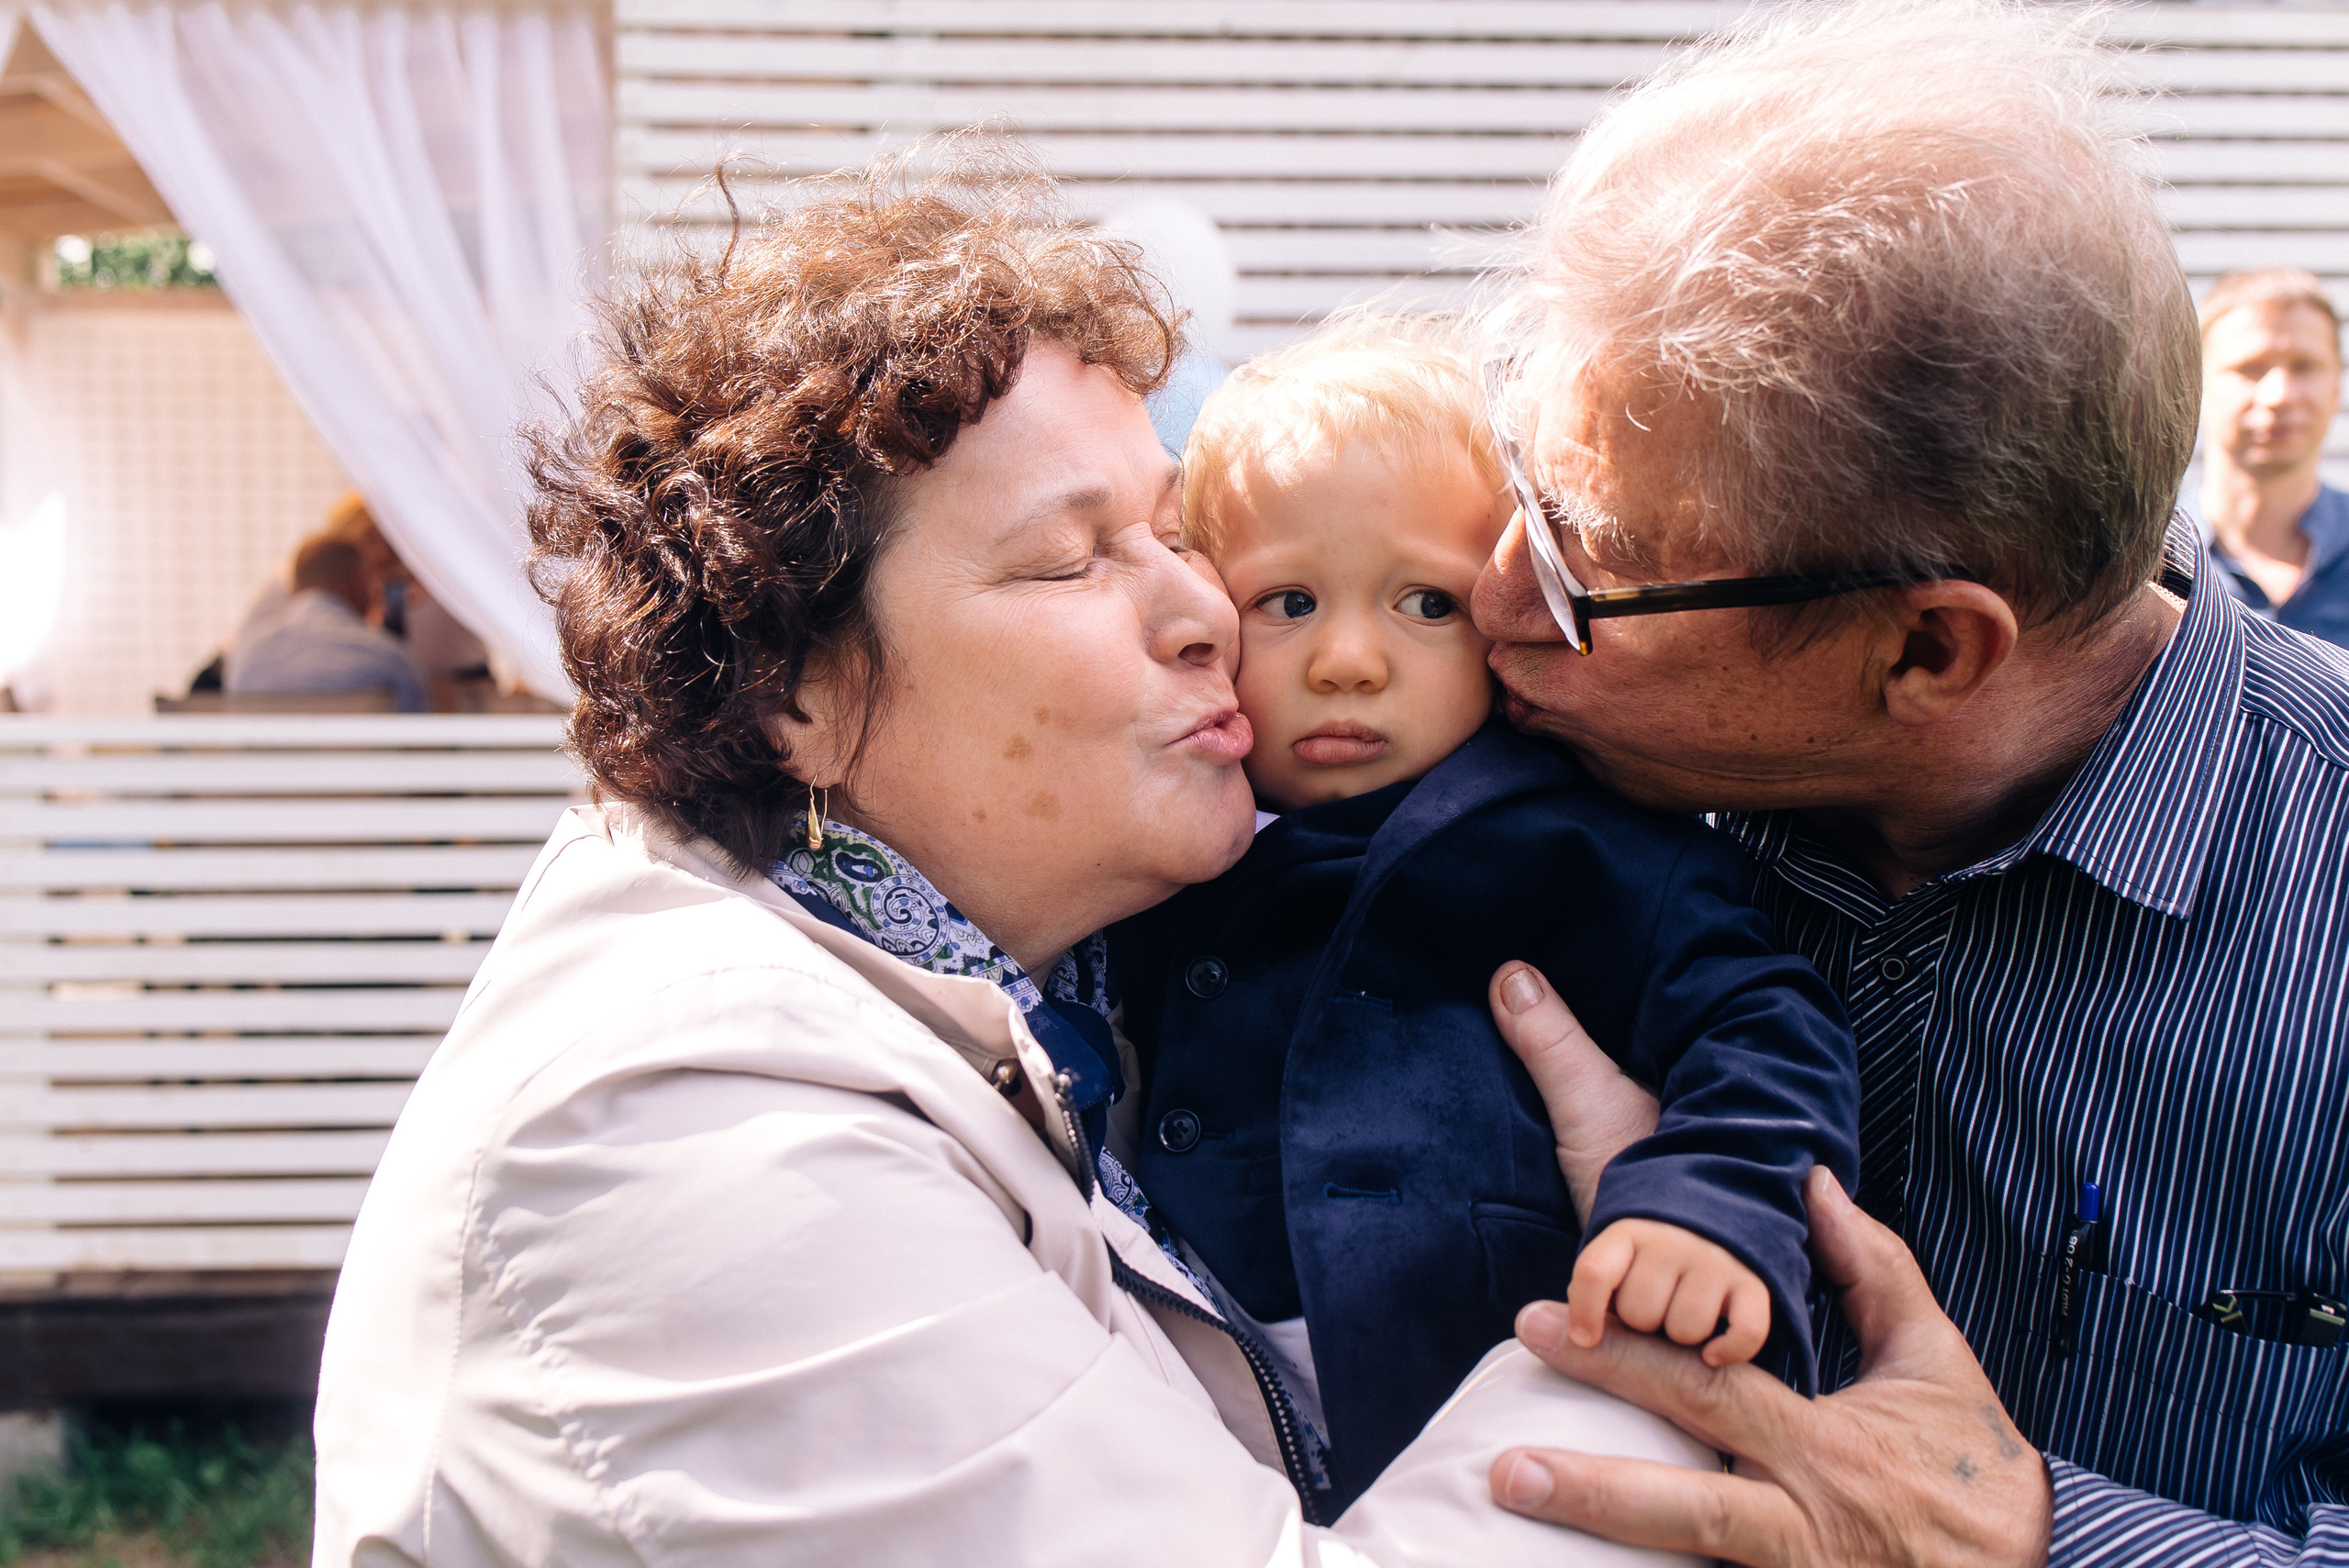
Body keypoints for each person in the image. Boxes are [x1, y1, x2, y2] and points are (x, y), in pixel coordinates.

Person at [310, 150, 1720, 1566]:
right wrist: (1648, 1318)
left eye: (1178, 534)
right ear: (795, 693)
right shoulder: (700, 1149)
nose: (1208, 613)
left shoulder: (1075, 1001)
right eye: (1072, 560)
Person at [1460, 3, 2349, 1564]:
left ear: (1929, 649)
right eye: (1529, 493)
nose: (1491, 604)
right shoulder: (1537, 765)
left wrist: (2032, 1537)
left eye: (1595, 565)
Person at [1116, 315, 1859, 1515]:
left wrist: (1706, 1204)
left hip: (1479, 1392)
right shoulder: (1166, 829)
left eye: (1426, 603)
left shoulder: (1572, 840)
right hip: (1185, 1408)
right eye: (1288, 600)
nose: (1347, 661)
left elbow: (1763, 1025)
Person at [2194, 270, 2349, 651]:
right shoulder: (2144, 566)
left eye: (2304, 366)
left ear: (2337, 384)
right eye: (2250, 367)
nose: (2279, 395)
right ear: (2196, 382)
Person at [223, 533, 429, 710]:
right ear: (358, 581)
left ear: (294, 584)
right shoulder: (390, 659)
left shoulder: (246, 657)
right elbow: (418, 736)